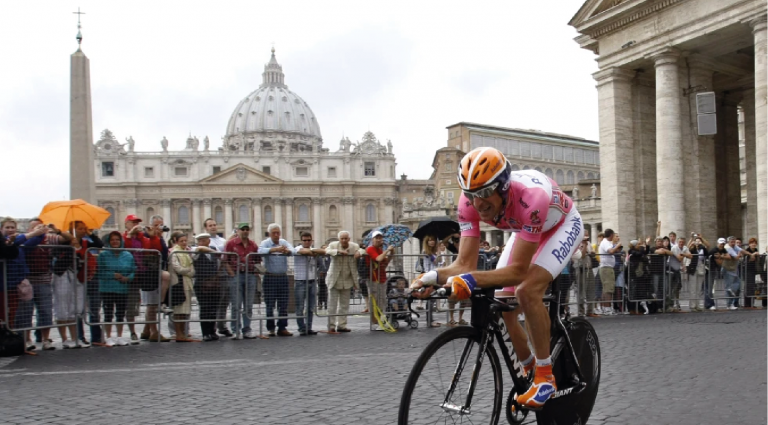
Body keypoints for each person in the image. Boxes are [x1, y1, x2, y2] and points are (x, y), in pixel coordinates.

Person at [413, 147, 584, 409]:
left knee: (526, 291)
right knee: (504, 305)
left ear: (503, 187)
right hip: (525, 228)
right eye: (471, 194)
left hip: (562, 225)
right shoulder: (468, 203)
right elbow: (464, 264)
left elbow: (517, 271)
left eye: (484, 193)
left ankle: (545, 376)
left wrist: (471, 280)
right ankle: (528, 372)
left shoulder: (531, 197)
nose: (478, 203)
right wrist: (431, 277)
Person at [96, 231, 136, 347]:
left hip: (122, 288)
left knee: (120, 313)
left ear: (121, 241)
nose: (115, 242)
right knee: (108, 313)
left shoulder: (128, 255)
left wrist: (128, 278)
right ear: (109, 241)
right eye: (112, 240)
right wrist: (113, 275)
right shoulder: (103, 255)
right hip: (107, 288)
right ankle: (108, 337)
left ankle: (119, 336)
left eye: (117, 240)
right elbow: (100, 272)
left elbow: (133, 270)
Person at [225, 223, 262, 339]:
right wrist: (231, 274)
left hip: (250, 275)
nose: (245, 231)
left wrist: (256, 273)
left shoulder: (253, 245)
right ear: (238, 231)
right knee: (236, 304)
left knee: (248, 305)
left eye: (247, 229)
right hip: (236, 275)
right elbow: (225, 260)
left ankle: (247, 329)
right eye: (243, 229)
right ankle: (235, 329)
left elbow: (257, 261)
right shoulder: (231, 244)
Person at [258, 223, 294, 337]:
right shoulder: (265, 243)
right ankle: (271, 328)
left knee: (283, 304)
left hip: (282, 277)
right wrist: (274, 249)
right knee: (270, 304)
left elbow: (293, 250)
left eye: (278, 232)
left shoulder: (283, 242)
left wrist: (287, 251)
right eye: (274, 233)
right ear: (269, 234)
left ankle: (282, 327)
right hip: (270, 277)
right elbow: (259, 251)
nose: (277, 235)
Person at [139, 215, 171, 343]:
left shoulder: (160, 237)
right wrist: (153, 236)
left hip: (156, 270)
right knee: (152, 304)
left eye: (161, 224)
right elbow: (149, 250)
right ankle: (154, 331)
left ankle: (146, 330)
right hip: (148, 272)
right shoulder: (147, 236)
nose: (160, 227)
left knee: (152, 304)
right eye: (157, 225)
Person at [325, 231, 364, 332]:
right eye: (342, 238)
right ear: (339, 239)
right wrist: (338, 252)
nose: (344, 240)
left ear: (349, 239)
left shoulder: (354, 246)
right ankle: (331, 326)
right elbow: (327, 250)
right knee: (332, 305)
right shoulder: (333, 245)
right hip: (334, 279)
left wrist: (359, 252)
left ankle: (342, 325)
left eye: (346, 238)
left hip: (347, 279)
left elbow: (364, 250)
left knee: (344, 305)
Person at [72, 221, 103, 346]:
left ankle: (96, 337)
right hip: (78, 278)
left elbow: (99, 244)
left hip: (91, 275)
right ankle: (80, 336)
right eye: (80, 229)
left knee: (94, 307)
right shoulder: (70, 242)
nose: (83, 231)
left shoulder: (87, 241)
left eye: (85, 228)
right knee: (79, 308)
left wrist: (90, 233)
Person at [203, 218, 234, 338]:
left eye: (215, 224)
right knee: (215, 301)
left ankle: (222, 326)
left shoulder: (221, 239)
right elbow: (218, 252)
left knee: (225, 302)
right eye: (210, 225)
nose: (213, 227)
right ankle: (213, 327)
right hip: (213, 275)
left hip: (224, 274)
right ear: (206, 228)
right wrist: (228, 243)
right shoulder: (206, 241)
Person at [293, 231, 325, 336]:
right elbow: (305, 252)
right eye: (304, 240)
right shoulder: (297, 249)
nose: (307, 242)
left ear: (311, 241)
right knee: (300, 307)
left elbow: (323, 256)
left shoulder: (314, 251)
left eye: (308, 240)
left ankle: (308, 327)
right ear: (301, 241)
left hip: (312, 281)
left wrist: (319, 271)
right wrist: (316, 252)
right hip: (300, 281)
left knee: (311, 307)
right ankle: (301, 328)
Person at [192, 233, 221, 341]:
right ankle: (205, 332)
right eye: (200, 241)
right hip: (201, 283)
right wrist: (210, 250)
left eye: (204, 240)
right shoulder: (196, 250)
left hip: (213, 283)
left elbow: (219, 261)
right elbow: (199, 249)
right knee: (204, 308)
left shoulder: (213, 248)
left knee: (213, 308)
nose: (201, 243)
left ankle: (212, 331)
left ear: (209, 241)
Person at [169, 232, 195, 341]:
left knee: (185, 311)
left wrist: (188, 271)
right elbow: (177, 268)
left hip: (187, 283)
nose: (184, 243)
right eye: (181, 241)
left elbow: (192, 270)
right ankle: (179, 334)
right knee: (179, 311)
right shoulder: (174, 252)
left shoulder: (186, 252)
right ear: (176, 241)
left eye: (185, 241)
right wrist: (187, 271)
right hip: (179, 284)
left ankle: (183, 333)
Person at [366, 231, 394, 330]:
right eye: (376, 238)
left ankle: (381, 320)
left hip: (382, 278)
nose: (379, 240)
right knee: (375, 300)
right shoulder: (370, 249)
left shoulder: (380, 249)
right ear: (372, 240)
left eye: (380, 238)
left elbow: (385, 262)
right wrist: (387, 251)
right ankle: (375, 322)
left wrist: (392, 253)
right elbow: (378, 259)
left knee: (382, 300)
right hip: (374, 279)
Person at [598, 229, 622, 315]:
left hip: (606, 268)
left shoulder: (606, 243)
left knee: (606, 289)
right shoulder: (605, 243)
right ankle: (607, 308)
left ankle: (605, 308)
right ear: (611, 235)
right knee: (608, 289)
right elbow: (611, 251)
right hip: (606, 268)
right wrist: (617, 245)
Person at [686, 235, 709, 312]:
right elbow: (687, 248)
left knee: (699, 288)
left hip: (701, 268)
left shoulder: (703, 248)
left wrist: (702, 238)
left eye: (699, 241)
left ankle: (698, 305)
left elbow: (708, 247)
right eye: (696, 241)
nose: (698, 242)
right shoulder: (692, 249)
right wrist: (691, 240)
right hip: (693, 269)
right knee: (693, 288)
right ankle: (693, 305)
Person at [742, 238, 760, 308]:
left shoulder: (756, 250)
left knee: (752, 286)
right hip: (747, 270)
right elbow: (749, 260)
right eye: (752, 243)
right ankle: (747, 303)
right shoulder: (747, 251)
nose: (753, 244)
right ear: (749, 244)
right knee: (748, 286)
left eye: (755, 243)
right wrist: (754, 254)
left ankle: (752, 303)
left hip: (753, 270)